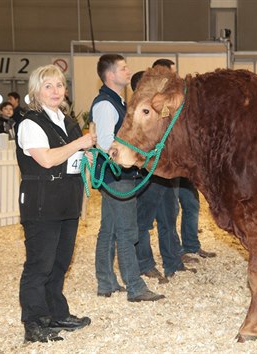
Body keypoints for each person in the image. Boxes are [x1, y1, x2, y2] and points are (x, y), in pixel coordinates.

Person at [16, 64, 95, 343]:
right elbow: (47, 159)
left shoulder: (68, 122)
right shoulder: (30, 122)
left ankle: (56, 313)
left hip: (67, 200)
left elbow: (72, 159)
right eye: (47, 86)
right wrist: (79, 145)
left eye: (59, 85)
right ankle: (34, 321)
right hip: (42, 202)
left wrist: (87, 156)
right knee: (40, 265)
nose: (55, 91)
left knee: (60, 262)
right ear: (36, 91)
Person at [90, 54, 164, 302]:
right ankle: (135, 286)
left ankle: (106, 281)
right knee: (127, 231)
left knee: (109, 229)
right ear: (110, 75)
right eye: (123, 68)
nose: (127, 71)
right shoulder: (105, 104)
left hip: (117, 174)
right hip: (116, 174)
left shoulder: (119, 103)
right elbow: (103, 141)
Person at [130, 70, 194, 282]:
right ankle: (145, 264)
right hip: (147, 174)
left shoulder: (161, 114)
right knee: (144, 221)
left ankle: (172, 261)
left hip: (165, 172)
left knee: (169, 217)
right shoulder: (136, 115)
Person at [151, 59, 216, 262]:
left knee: (191, 204)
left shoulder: (179, 99)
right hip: (168, 163)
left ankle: (192, 245)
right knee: (171, 210)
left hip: (185, 160)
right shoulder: (155, 101)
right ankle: (175, 252)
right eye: (172, 73)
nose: (177, 77)